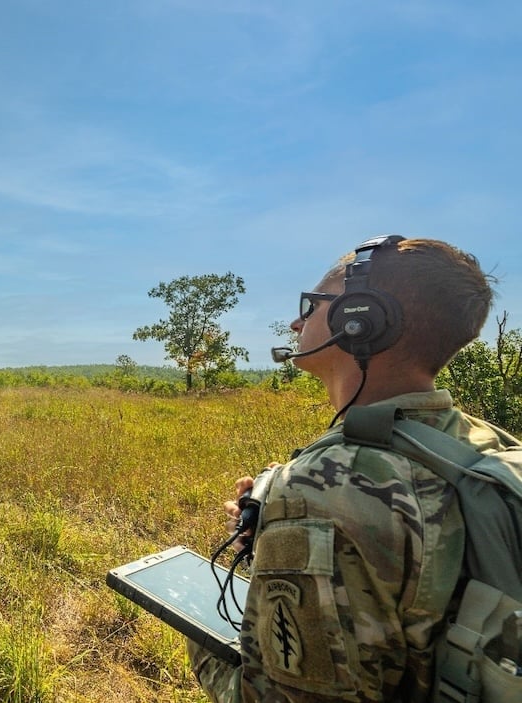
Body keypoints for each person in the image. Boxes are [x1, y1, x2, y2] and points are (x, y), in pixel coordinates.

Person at [190, 236, 508, 702]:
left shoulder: (322, 491)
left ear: (359, 320)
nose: (298, 320)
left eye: (312, 305)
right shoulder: (489, 445)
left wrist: (199, 632)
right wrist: (275, 532)